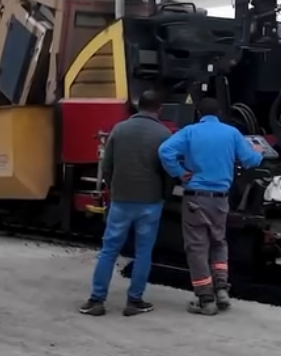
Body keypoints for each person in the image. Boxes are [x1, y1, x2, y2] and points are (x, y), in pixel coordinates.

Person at [158, 97, 264, 316]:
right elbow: (250, 161)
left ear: (198, 112)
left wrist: (178, 173)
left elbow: (164, 151)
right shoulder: (232, 133)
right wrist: (259, 153)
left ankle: (206, 299)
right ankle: (222, 289)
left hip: (196, 198)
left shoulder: (190, 132)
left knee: (197, 247)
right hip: (221, 199)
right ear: (219, 113)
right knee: (218, 242)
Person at [80, 90, 172, 317]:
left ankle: (96, 301)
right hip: (150, 201)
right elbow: (168, 170)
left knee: (109, 250)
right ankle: (134, 301)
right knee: (143, 252)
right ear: (159, 109)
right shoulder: (164, 133)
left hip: (121, 200)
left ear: (138, 106)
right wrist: (164, 194)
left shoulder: (119, 129)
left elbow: (107, 165)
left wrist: (113, 188)